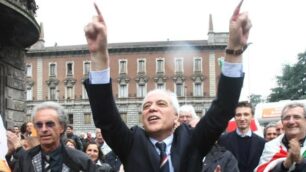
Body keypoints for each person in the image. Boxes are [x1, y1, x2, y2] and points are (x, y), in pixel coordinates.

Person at [84, 0, 249, 171]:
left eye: (161, 104)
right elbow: (106, 117)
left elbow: (223, 108)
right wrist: (98, 55)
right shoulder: (132, 143)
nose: (152, 109)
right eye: (147, 106)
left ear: (176, 116)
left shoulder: (193, 140)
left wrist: (235, 48)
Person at [13, 101, 98, 171]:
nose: (44, 129)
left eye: (50, 124)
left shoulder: (82, 161)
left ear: (61, 127)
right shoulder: (24, 159)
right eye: (39, 125)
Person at [255, 102, 306, 171]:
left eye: (296, 117)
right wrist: (285, 165)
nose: (291, 121)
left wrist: (300, 161)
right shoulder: (271, 146)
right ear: (282, 122)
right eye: (287, 118)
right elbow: (262, 170)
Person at [218, 101, 266, 172]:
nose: (242, 118)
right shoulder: (223, 140)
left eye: (246, 114)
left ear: (252, 116)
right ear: (234, 117)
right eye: (238, 115)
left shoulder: (262, 143)